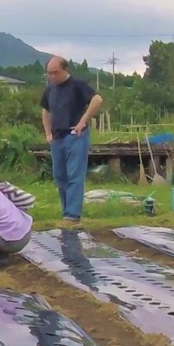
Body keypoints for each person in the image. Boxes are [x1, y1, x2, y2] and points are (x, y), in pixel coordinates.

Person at [40, 55, 103, 224]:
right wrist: (48, 133)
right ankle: (66, 211)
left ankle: (73, 215)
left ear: (65, 69)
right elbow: (45, 111)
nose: (52, 76)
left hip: (75, 136)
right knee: (60, 176)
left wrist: (83, 121)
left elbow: (97, 99)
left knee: (75, 175)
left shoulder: (78, 85)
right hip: (57, 137)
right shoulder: (50, 89)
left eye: (55, 72)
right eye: (49, 73)